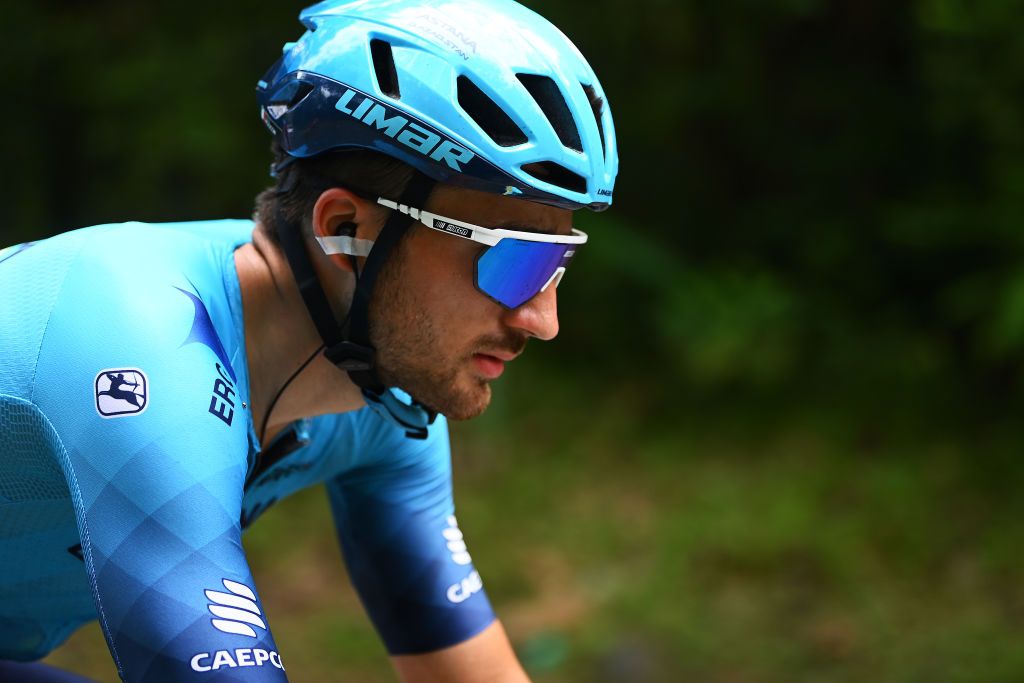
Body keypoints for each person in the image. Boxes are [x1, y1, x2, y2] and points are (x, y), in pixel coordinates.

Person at [0, 0, 617, 680]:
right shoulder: (139, 337)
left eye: (559, 263)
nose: (544, 319)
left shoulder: (383, 401)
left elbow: (465, 668)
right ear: (347, 227)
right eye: (516, 261)